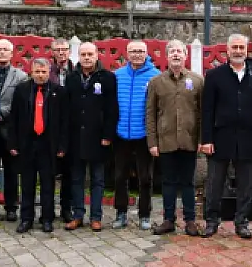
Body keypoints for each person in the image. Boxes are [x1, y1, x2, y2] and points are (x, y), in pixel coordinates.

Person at [201, 34, 252, 239]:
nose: (238, 51)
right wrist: (207, 139)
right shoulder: (214, 76)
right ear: (227, 51)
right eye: (234, 47)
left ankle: (242, 222)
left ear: (247, 51)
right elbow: (207, 111)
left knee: (246, 185)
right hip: (220, 137)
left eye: (242, 47)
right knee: (214, 183)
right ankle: (211, 221)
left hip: (248, 139)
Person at [145, 40, 203, 236]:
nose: (176, 55)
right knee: (168, 182)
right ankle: (168, 219)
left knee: (188, 182)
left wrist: (202, 139)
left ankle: (190, 221)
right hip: (166, 141)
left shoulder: (197, 80)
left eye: (179, 51)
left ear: (185, 56)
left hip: (189, 140)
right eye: (172, 52)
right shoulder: (156, 82)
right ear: (167, 56)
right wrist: (152, 142)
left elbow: (202, 112)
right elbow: (150, 114)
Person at [8, 58, 67, 234]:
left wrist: (62, 146)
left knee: (48, 183)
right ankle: (26, 218)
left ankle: (47, 218)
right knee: (27, 183)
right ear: (31, 72)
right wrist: (13, 143)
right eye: (37, 72)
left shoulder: (59, 92)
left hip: (49, 144)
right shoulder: (21, 90)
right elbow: (14, 118)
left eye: (43, 72)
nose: (40, 75)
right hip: (27, 143)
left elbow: (65, 122)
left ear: (49, 73)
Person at [65, 42, 118, 231]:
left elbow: (112, 109)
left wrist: (107, 135)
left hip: (98, 137)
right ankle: (78, 214)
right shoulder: (71, 78)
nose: (86, 58)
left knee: (97, 179)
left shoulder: (108, 78)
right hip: (76, 138)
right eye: (83, 54)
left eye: (90, 54)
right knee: (77, 179)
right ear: (78, 56)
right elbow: (67, 110)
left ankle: (96, 217)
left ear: (97, 55)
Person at [112, 40, 160, 230]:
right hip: (121, 133)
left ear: (146, 53)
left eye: (141, 51)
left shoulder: (155, 76)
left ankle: (145, 214)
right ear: (127, 53)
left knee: (145, 177)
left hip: (144, 134)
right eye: (133, 51)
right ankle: (121, 212)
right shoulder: (117, 75)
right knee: (119, 176)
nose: (137, 55)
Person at [0, 38, 28, 222]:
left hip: (10, 129)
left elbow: (20, 102)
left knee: (11, 170)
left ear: (12, 53)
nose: (2, 52)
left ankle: (11, 206)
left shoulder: (21, 76)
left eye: (5, 49)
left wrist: (1, 112)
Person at [49, 37, 77, 222]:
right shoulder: (46, 71)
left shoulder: (77, 71)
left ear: (69, 51)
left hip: (73, 127)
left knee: (69, 172)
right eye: (57, 50)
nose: (61, 53)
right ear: (52, 52)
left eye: (64, 49)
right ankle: (48, 208)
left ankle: (66, 208)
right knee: (49, 171)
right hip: (51, 127)